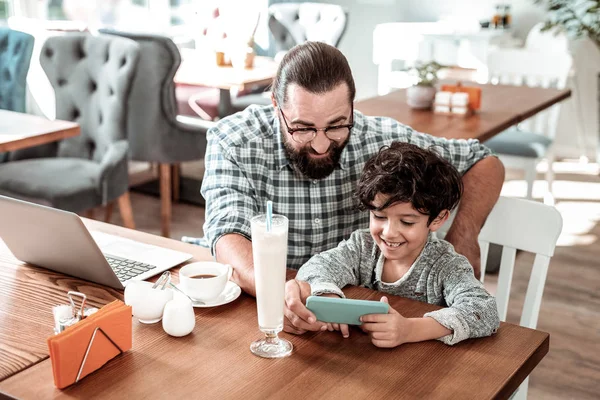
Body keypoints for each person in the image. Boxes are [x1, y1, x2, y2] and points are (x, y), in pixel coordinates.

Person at [201, 41, 504, 304]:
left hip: (351, 310)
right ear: (275, 105)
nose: (321, 145)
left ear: (352, 106)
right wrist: (278, 292)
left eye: (336, 125)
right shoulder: (233, 142)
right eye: (303, 128)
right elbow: (227, 235)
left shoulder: (381, 138)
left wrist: (464, 236)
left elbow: (484, 162)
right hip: (261, 301)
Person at [289, 142, 500, 346]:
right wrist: (328, 297)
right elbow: (317, 266)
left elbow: (484, 310)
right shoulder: (362, 247)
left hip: (423, 368)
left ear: (437, 219)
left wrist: (410, 329)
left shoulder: (446, 265)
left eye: (407, 222)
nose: (389, 233)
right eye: (379, 216)